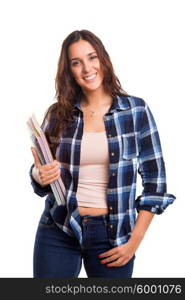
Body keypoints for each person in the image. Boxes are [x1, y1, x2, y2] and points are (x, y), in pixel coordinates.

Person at [29, 29, 176, 278]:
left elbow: (155, 183)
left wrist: (135, 240)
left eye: (92, 57)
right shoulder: (58, 114)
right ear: (69, 71)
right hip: (59, 228)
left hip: (113, 235)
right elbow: (40, 171)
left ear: (103, 59)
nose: (86, 68)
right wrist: (38, 175)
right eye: (76, 63)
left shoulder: (136, 111)